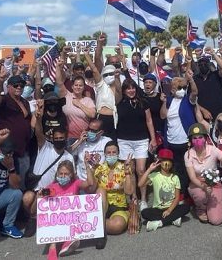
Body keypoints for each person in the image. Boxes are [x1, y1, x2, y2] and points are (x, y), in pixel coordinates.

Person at [22, 100, 75, 237]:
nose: (59, 140)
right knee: (27, 198)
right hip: (35, 188)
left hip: (52, 191)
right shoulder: (45, 146)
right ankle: (31, 219)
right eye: (56, 138)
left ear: (66, 138)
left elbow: (69, 179)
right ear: (52, 138)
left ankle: (37, 218)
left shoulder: (68, 157)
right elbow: (39, 133)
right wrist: (38, 118)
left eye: (61, 138)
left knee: (41, 200)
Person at [115, 78, 157, 210]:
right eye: (128, 88)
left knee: (141, 170)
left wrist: (153, 138)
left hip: (141, 140)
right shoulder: (118, 102)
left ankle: (143, 199)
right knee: (130, 170)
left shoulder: (143, 102)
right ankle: (134, 197)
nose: (131, 90)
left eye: (133, 87)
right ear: (124, 90)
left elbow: (149, 120)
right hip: (124, 140)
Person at [184, 123, 222, 225]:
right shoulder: (188, 154)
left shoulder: (213, 149)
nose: (197, 140)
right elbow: (192, 177)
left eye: (200, 137)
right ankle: (200, 208)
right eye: (195, 138)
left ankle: (217, 201)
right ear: (191, 140)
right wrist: (203, 186)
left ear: (205, 138)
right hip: (197, 183)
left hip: (214, 183)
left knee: (216, 220)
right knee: (200, 195)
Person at [41, 160, 93, 259]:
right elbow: (44, 206)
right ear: (57, 173)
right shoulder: (52, 187)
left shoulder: (76, 184)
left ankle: (66, 245)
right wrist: (39, 196)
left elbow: (90, 183)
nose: (63, 176)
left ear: (71, 175)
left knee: (72, 221)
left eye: (66, 174)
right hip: (57, 222)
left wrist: (87, 166)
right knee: (53, 217)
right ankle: (53, 247)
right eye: (61, 173)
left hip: (72, 220)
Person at [85, 141, 133, 236]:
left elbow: (129, 192)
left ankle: (96, 226)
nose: (111, 155)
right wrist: (89, 168)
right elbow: (90, 190)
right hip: (102, 206)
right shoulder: (99, 168)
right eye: (108, 152)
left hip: (118, 206)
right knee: (100, 190)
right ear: (105, 154)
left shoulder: (124, 167)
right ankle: (100, 224)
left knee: (117, 226)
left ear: (118, 154)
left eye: (114, 152)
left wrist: (127, 173)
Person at [160, 72, 198, 192]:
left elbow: (195, 93)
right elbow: (162, 116)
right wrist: (164, 102)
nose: (182, 90)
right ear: (173, 89)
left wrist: (190, 81)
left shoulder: (188, 100)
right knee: (175, 168)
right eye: (180, 88)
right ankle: (177, 192)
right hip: (171, 141)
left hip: (185, 141)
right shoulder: (170, 101)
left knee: (187, 168)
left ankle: (187, 192)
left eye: (184, 88)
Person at [0, 74, 32, 186]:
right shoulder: (4, 100)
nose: (19, 87)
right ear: (9, 87)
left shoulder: (25, 102)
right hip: (7, 151)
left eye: (21, 85)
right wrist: (0, 81)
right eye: (16, 85)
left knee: (22, 183)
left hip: (23, 149)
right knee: (9, 183)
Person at [138, 148, 190, 231]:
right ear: (159, 162)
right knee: (144, 213)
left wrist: (169, 210)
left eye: (169, 160)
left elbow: (177, 198)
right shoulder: (155, 175)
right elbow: (140, 184)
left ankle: (159, 223)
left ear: (172, 163)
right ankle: (173, 219)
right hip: (158, 209)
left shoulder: (175, 177)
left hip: (172, 208)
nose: (166, 163)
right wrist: (149, 169)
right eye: (164, 160)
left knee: (186, 207)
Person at [56, 59, 96, 144]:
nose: (78, 87)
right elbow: (59, 82)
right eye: (76, 85)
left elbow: (92, 114)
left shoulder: (88, 100)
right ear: (72, 87)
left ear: (84, 87)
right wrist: (58, 67)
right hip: (69, 137)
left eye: (80, 85)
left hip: (84, 137)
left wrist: (80, 105)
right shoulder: (67, 96)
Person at [85, 52, 119, 140]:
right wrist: (86, 55)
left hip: (114, 120)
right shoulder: (101, 85)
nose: (109, 76)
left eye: (111, 74)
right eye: (106, 75)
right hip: (100, 119)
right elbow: (94, 70)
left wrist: (117, 79)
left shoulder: (119, 86)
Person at [69, 117, 111, 187]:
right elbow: (67, 154)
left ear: (101, 132)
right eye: (89, 129)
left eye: (94, 131)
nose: (90, 132)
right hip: (83, 182)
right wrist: (79, 141)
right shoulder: (80, 142)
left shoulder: (106, 141)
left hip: (100, 181)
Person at [193, 49, 222, 121]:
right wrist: (203, 110)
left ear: (209, 65)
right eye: (200, 65)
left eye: (205, 64)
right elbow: (192, 99)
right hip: (202, 117)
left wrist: (213, 54)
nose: (203, 66)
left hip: (219, 115)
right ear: (198, 66)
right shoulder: (195, 79)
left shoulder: (216, 75)